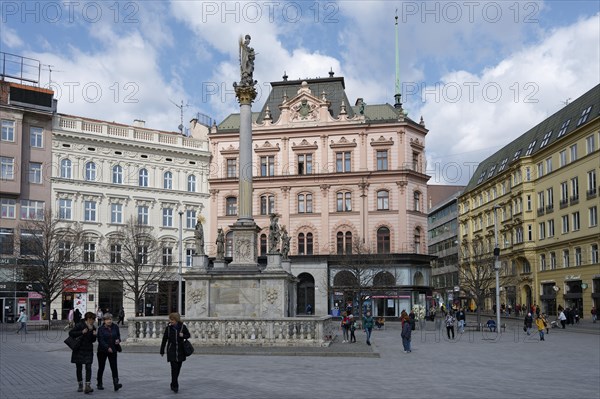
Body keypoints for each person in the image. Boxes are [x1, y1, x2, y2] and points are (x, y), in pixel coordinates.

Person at [160, 312, 191, 393]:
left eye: (172, 320)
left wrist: (183, 335)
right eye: (170, 320)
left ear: (176, 320)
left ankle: (173, 382)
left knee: (178, 369)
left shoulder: (183, 327)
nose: (170, 321)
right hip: (171, 351)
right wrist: (162, 350)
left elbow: (188, 335)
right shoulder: (168, 328)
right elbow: (164, 339)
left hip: (181, 351)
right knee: (174, 369)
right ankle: (175, 385)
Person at [70, 311, 97, 393]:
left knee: (88, 367)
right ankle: (80, 384)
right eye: (92, 319)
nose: (93, 321)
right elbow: (71, 333)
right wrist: (81, 332)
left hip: (88, 349)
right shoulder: (80, 325)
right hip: (79, 349)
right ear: (87, 319)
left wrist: (94, 335)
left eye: (93, 319)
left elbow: (93, 340)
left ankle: (87, 386)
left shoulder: (93, 327)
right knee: (79, 368)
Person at [96, 313, 122, 391]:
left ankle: (116, 384)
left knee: (114, 367)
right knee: (101, 367)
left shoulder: (115, 327)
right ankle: (99, 383)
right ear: (104, 320)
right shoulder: (101, 329)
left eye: (110, 319)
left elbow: (118, 336)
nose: (109, 321)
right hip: (102, 351)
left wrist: (118, 340)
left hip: (113, 350)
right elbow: (100, 340)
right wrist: (107, 348)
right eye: (107, 319)